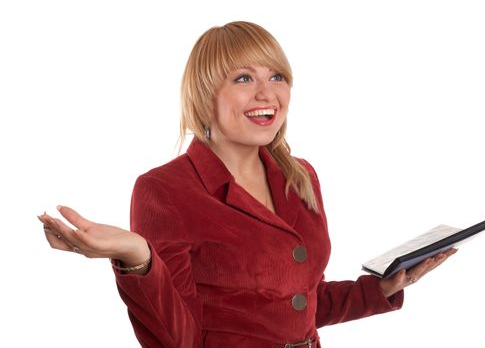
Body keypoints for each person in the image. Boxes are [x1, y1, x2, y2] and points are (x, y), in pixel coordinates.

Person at [37, 21, 456, 347]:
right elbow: (178, 339)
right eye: (243, 79)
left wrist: (380, 288)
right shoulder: (163, 191)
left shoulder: (300, 175)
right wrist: (138, 257)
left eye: (277, 76)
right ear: (205, 95)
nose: (267, 94)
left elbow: (296, 303)